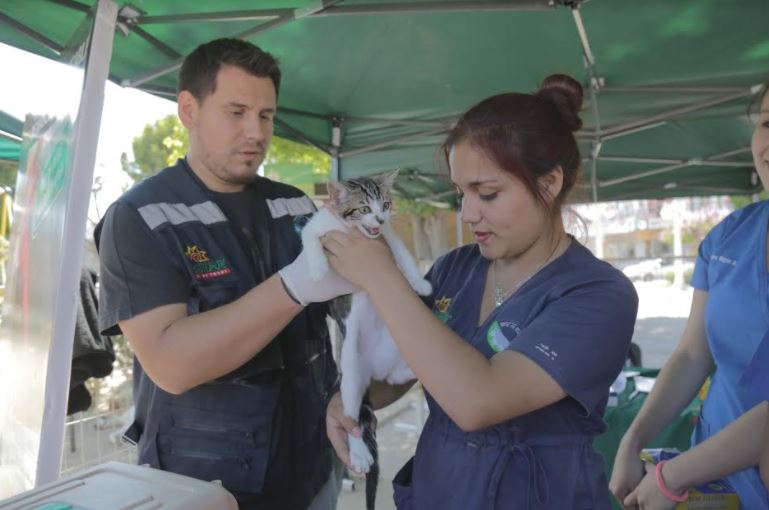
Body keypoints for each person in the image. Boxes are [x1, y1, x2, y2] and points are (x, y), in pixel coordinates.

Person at [313, 74, 639, 509]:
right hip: (442, 490)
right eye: (460, 192)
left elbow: (475, 402)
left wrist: (383, 277)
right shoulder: (456, 268)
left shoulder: (598, 295)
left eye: (486, 194)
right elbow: (407, 366)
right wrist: (352, 398)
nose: (467, 213)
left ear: (550, 183)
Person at [96, 38, 354, 510]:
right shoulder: (142, 216)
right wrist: (292, 287)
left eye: (267, 115)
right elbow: (172, 365)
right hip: (205, 485)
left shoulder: (293, 204)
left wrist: (349, 393)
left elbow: (343, 318)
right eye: (236, 112)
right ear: (189, 110)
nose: (255, 132)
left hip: (311, 469)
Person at [610, 79, 769, 509]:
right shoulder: (729, 239)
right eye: (767, 123)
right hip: (715, 477)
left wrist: (669, 479)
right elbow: (692, 355)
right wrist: (633, 438)